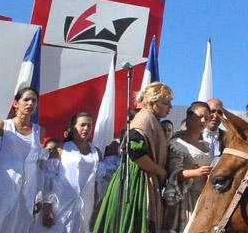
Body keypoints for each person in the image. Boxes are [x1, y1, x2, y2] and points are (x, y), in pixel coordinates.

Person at [92, 81, 172, 233]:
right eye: (165, 103)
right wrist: (160, 171)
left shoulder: (152, 120)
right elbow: (136, 154)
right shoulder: (144, 119)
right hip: (136, 180)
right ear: (152, 102)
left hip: (144, 178)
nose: (170, 107)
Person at [0, 87, 52, 232]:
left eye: (34, 100)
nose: (30, 103)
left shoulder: (39, 131)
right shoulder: (3, 125)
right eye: (26, 99)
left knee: (19, 226)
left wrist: (39, 195)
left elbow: (39, 166)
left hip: (28, 189)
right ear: (16, 103)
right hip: (1, 186)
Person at [45, 111, 104, 233]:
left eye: (89, 125)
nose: (86, 128)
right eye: (82, 125)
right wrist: (47, 205)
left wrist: (99, 203)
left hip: (86, 205)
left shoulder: (96, 152)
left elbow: (99, 181)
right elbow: (47, 178)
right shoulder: (61, 149)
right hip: (61, 203)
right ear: (73, 127)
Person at [162, 102, 211, 233]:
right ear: (189, 117)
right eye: (200, 116)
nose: (203, 121)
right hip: (185, 199)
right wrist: (197, 172)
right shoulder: (177, 144)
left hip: (204, 198)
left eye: (206, 118)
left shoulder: (207, 146)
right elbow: (174, 173)